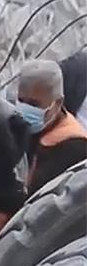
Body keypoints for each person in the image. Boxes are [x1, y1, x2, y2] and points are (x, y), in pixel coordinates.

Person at [16, 59, 87, 194]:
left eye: (34, 104)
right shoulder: (16, 126)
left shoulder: (75, 147)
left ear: (58, 103)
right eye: (21, 101)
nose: (25, 109)